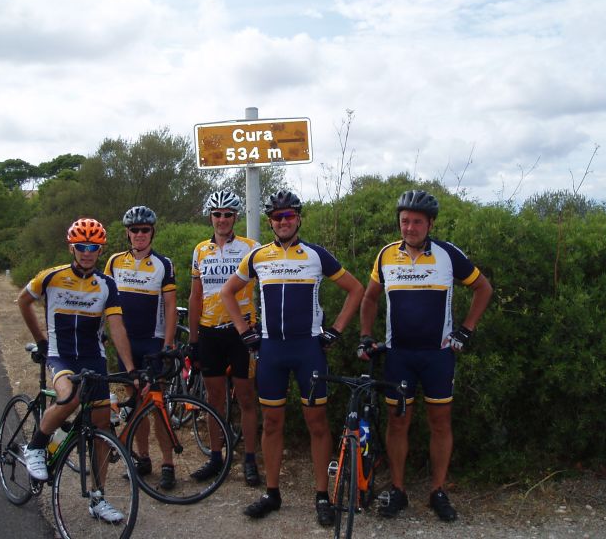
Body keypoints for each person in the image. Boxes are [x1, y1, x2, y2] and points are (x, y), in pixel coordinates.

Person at [219, 189, 365, 527]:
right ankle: (272, 493)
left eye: (289, 215)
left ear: (298, 218)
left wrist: (336, 330)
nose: (283, 221)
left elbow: (356, 289)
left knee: (317, 423)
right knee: (272, 423)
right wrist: (244, 331)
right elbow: (227, 292)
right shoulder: (258, 257)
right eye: (277, 217)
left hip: (308, 350)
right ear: (270, 222)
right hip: (271, 351)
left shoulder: (316, 255)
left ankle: (321, 495)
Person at [358, 189, 493, 522]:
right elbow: (370, 298)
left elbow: (483, 288)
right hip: (399, 356)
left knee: (440, 422)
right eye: (404, 221)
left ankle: (437, 490)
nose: (409, 227)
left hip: (438, 355)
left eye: (417, 221)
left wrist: (466, 329)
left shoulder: (448, 255)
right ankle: (399, 489)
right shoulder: (386, 255)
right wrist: (366, 335)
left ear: (430, 223)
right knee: (398, 422)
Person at [18, 217, 136, 524]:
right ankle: (35, 446)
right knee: (69, 398)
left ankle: (97, 499)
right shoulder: (52, 277)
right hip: (61, 356)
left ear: (100, 250)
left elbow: (117, 326)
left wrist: (130, 368)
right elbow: (23, 301)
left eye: (93, 247)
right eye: (81, 246)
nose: (87, 252)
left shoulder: (106, 285)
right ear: (72, 247)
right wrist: (41, 341)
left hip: (93, 360)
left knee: (101, 430)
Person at [188, 190, 261, 486]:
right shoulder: (200, 250)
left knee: (246, 398)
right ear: (211, 217)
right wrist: (193, 339)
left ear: (236, 217)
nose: (222, 219)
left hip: (241, 333)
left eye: (228, 214)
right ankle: (216, 457)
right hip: (209, 332)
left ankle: (250, 459)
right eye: (217, 214)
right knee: (214, 398)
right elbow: (195, 296)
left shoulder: (251, 248)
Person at [103, 206, 178, 490]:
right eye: (134, 230)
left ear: (152, 233)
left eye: (144, 230)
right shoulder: (114, 261)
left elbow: (170, 307)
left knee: (157, 404)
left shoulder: (163, 264)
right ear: (127, 233)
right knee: (135, 402)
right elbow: (103, 300)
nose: (139, 235)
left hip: (152, 342)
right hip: (125, 343)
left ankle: (168, 463)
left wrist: (168, 344)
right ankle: (144, 459)